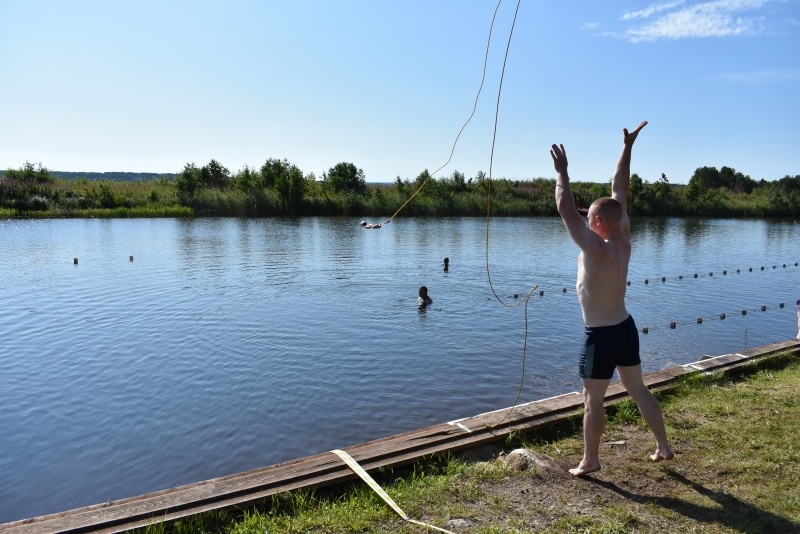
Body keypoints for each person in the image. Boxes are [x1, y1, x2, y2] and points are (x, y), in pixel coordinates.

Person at [550, 121, 673, 476]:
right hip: (625, 327)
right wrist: (627, 147)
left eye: (588, 217)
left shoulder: (594, 248)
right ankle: (663, 447)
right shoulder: (623, 237)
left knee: (593, 400)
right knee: (637, 389)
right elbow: (620, 186)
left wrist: (563, 174)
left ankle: (590, 460)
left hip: (601, 335)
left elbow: (563, 207)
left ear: (599, 221)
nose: (583, 219)